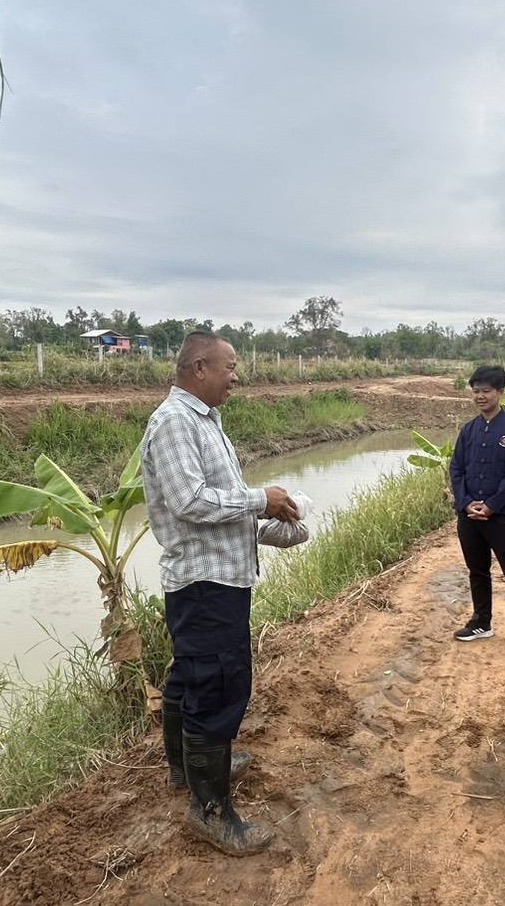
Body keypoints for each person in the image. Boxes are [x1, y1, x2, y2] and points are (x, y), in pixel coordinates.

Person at [140, 330, 304, 856]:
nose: (236, 377)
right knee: (216, 688)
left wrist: (266, 519)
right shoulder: (175, 422)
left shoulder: (204, 420)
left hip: (218, 579)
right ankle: (210, 811)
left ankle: (186, 770)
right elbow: (189, 501)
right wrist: (260, 500)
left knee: (191, 677)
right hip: (204, 584)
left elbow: (215, 505)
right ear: (200, 368)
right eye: (229, 367)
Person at [448, 364, 505, 656]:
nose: (480, 396)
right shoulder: (469, 430)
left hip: (502, 516)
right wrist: (465, 502)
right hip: (469, 517)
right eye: (476, 391)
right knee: (477, 571)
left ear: (500, 392)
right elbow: (457, 468)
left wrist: (491, 506)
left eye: (486, 391)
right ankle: (481, 622)